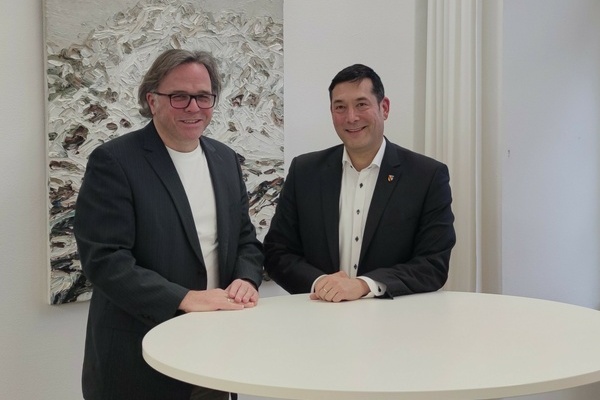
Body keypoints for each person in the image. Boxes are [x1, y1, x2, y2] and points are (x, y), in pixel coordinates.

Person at [74, 49, 263, 400]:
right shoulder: (113, 161)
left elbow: (245, 239)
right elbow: (105, 260)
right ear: (152, 100)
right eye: (179, 97)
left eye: (203, 96)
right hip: (139, 360)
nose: (193, 107)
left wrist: (245, 278)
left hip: (215, 354)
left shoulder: (225, 159)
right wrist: (184, 298)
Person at [264, 64, 455, 302]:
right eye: (340, 107)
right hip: (318, 317)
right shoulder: (305, 171)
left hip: (395, 322)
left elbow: (432, 264)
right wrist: (321, 284)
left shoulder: (427, 176)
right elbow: (277, 253)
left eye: (361, 104)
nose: (351, 117)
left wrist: (365, 285)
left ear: (384, 108)